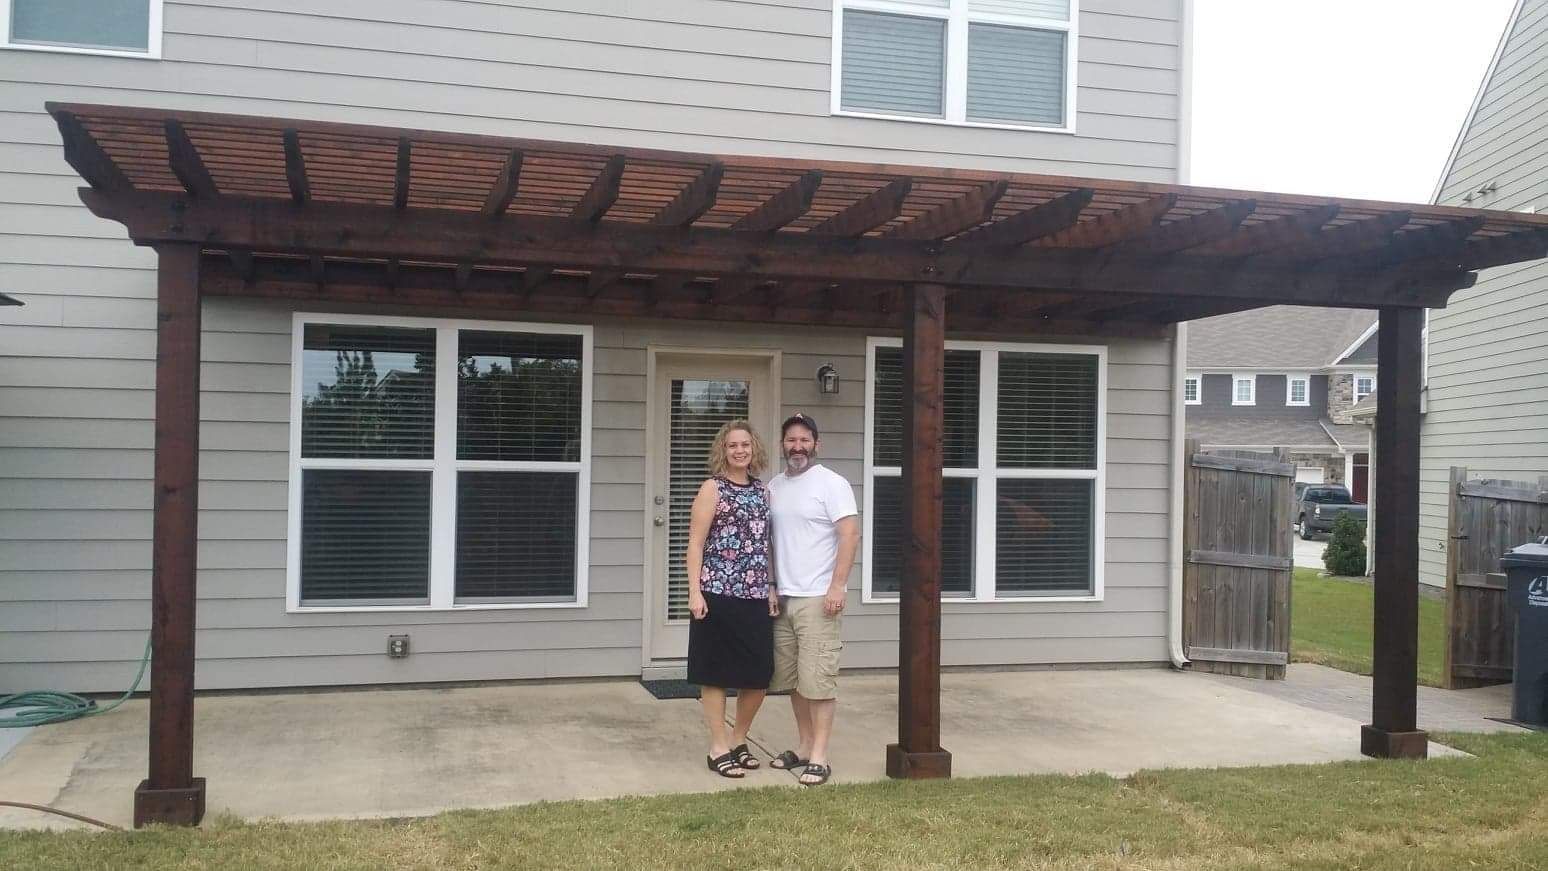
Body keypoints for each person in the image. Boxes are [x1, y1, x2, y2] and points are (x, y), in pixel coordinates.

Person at [766, 413, 858, 786]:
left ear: (817, 444)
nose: (797, 447)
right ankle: (804, 746)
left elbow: (849, 535)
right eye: (791, 440)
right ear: (782, 444)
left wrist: (838, 586)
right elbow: (770, 542)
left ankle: (820, 756)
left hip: (819, 598)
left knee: (818, 682)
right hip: (784, 598)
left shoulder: (832, 484)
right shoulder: (774, 486)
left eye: (805, 440)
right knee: (794, 681)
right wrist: (771, 585)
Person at [685, 420, 778, 778]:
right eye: (732, 445)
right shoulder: (713, 488)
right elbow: (696, 543)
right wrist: (694, 591)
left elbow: (765, 545)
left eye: (745, 444)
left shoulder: (763, 492)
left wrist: (771, 585)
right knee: (715, 672)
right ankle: (718, 747)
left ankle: (739, 739)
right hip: (716, 592)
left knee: (758, 675)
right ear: (723, 451)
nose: (739, 450)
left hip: (755, 594)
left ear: (754, 448)